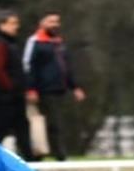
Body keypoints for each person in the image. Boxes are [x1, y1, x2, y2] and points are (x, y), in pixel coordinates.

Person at [23, 13, 86, 161]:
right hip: (43, 89)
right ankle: (59, 156)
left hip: (60, 89)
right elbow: (28, 66)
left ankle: (50, 154)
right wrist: (30, 89)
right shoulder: (35, 41)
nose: (55, 24)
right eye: (50, 21)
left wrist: (75, 87)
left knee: (56, 123)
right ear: (41, 23)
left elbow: (66, 67)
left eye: (57, 21)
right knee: (52, 123)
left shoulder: (57, 42)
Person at [0, 10, 34, 159]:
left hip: (14, 97)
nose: (16, 27)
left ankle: (30, 159)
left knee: (22, 130)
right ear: (2, 25)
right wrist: (11, 88)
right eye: (12, 23)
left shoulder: (10, 44)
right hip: (5, 98)